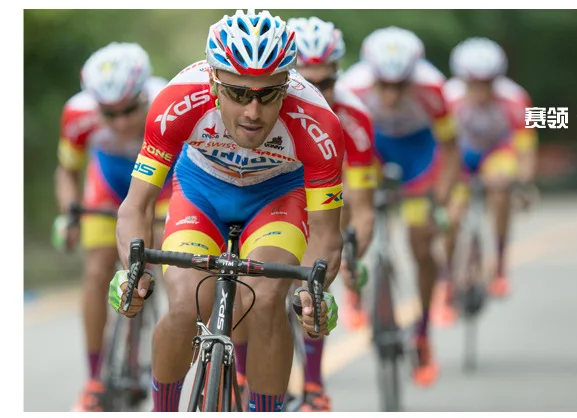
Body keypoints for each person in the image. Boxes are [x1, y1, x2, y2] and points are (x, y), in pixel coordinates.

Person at [107, 9, 344, 412]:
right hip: (201, 193)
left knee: (268, 299)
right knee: (184, 306)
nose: (252, 112)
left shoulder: (318, 123)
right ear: (214, 83)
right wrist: (132, 271)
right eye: (238, 93)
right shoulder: (178, 101)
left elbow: (326, 233)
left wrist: (312, 292)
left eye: (267, 94)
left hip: (276, 197)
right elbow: (138, 203)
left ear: (286, 85)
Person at [338, 26, 461, 388]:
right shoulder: (352, 86)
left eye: (400, 85)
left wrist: (441, 193)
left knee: (421, 241)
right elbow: (340, 145)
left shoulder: (434, 88)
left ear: (414, 76)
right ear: (371, 75)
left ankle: (422, 334)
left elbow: (450, 148)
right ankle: (353, 286)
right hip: (372, 149)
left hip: (419, 156)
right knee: (345, 205)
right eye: (384, 85)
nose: (391, 95)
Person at [52, 42, 171, 412]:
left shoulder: (167, 102)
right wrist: (70, 213)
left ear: (144, 93)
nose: (120, 122)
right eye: (109, 113)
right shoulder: (77, 114)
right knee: (96, 269)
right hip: (107, 187)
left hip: (163, 188)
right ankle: (93, 380)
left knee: (175, 268)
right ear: (94, 104)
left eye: (130, 109)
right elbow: (67, 171)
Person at [284, 16, 377, 411]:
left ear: (339, 75)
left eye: (325, 83)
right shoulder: (262, 104)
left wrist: (352, 251)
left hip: (325, 196)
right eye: (304, 80)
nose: (316, 91)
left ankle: (314, 384)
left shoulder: (354, 117)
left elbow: (362, 202)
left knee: (314, 280)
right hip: (276, 191)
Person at [440, 37, 538, 305]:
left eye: (488, 83)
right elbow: (437, 147)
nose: (481, 90)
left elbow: (526, 146)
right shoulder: (448, 97)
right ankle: (445, 278)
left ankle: (500, 263)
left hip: (496, 153)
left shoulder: (515, 98)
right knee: (453, 214)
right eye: (475, 83)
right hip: (459, 156)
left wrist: (524, 184)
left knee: (500, 184)